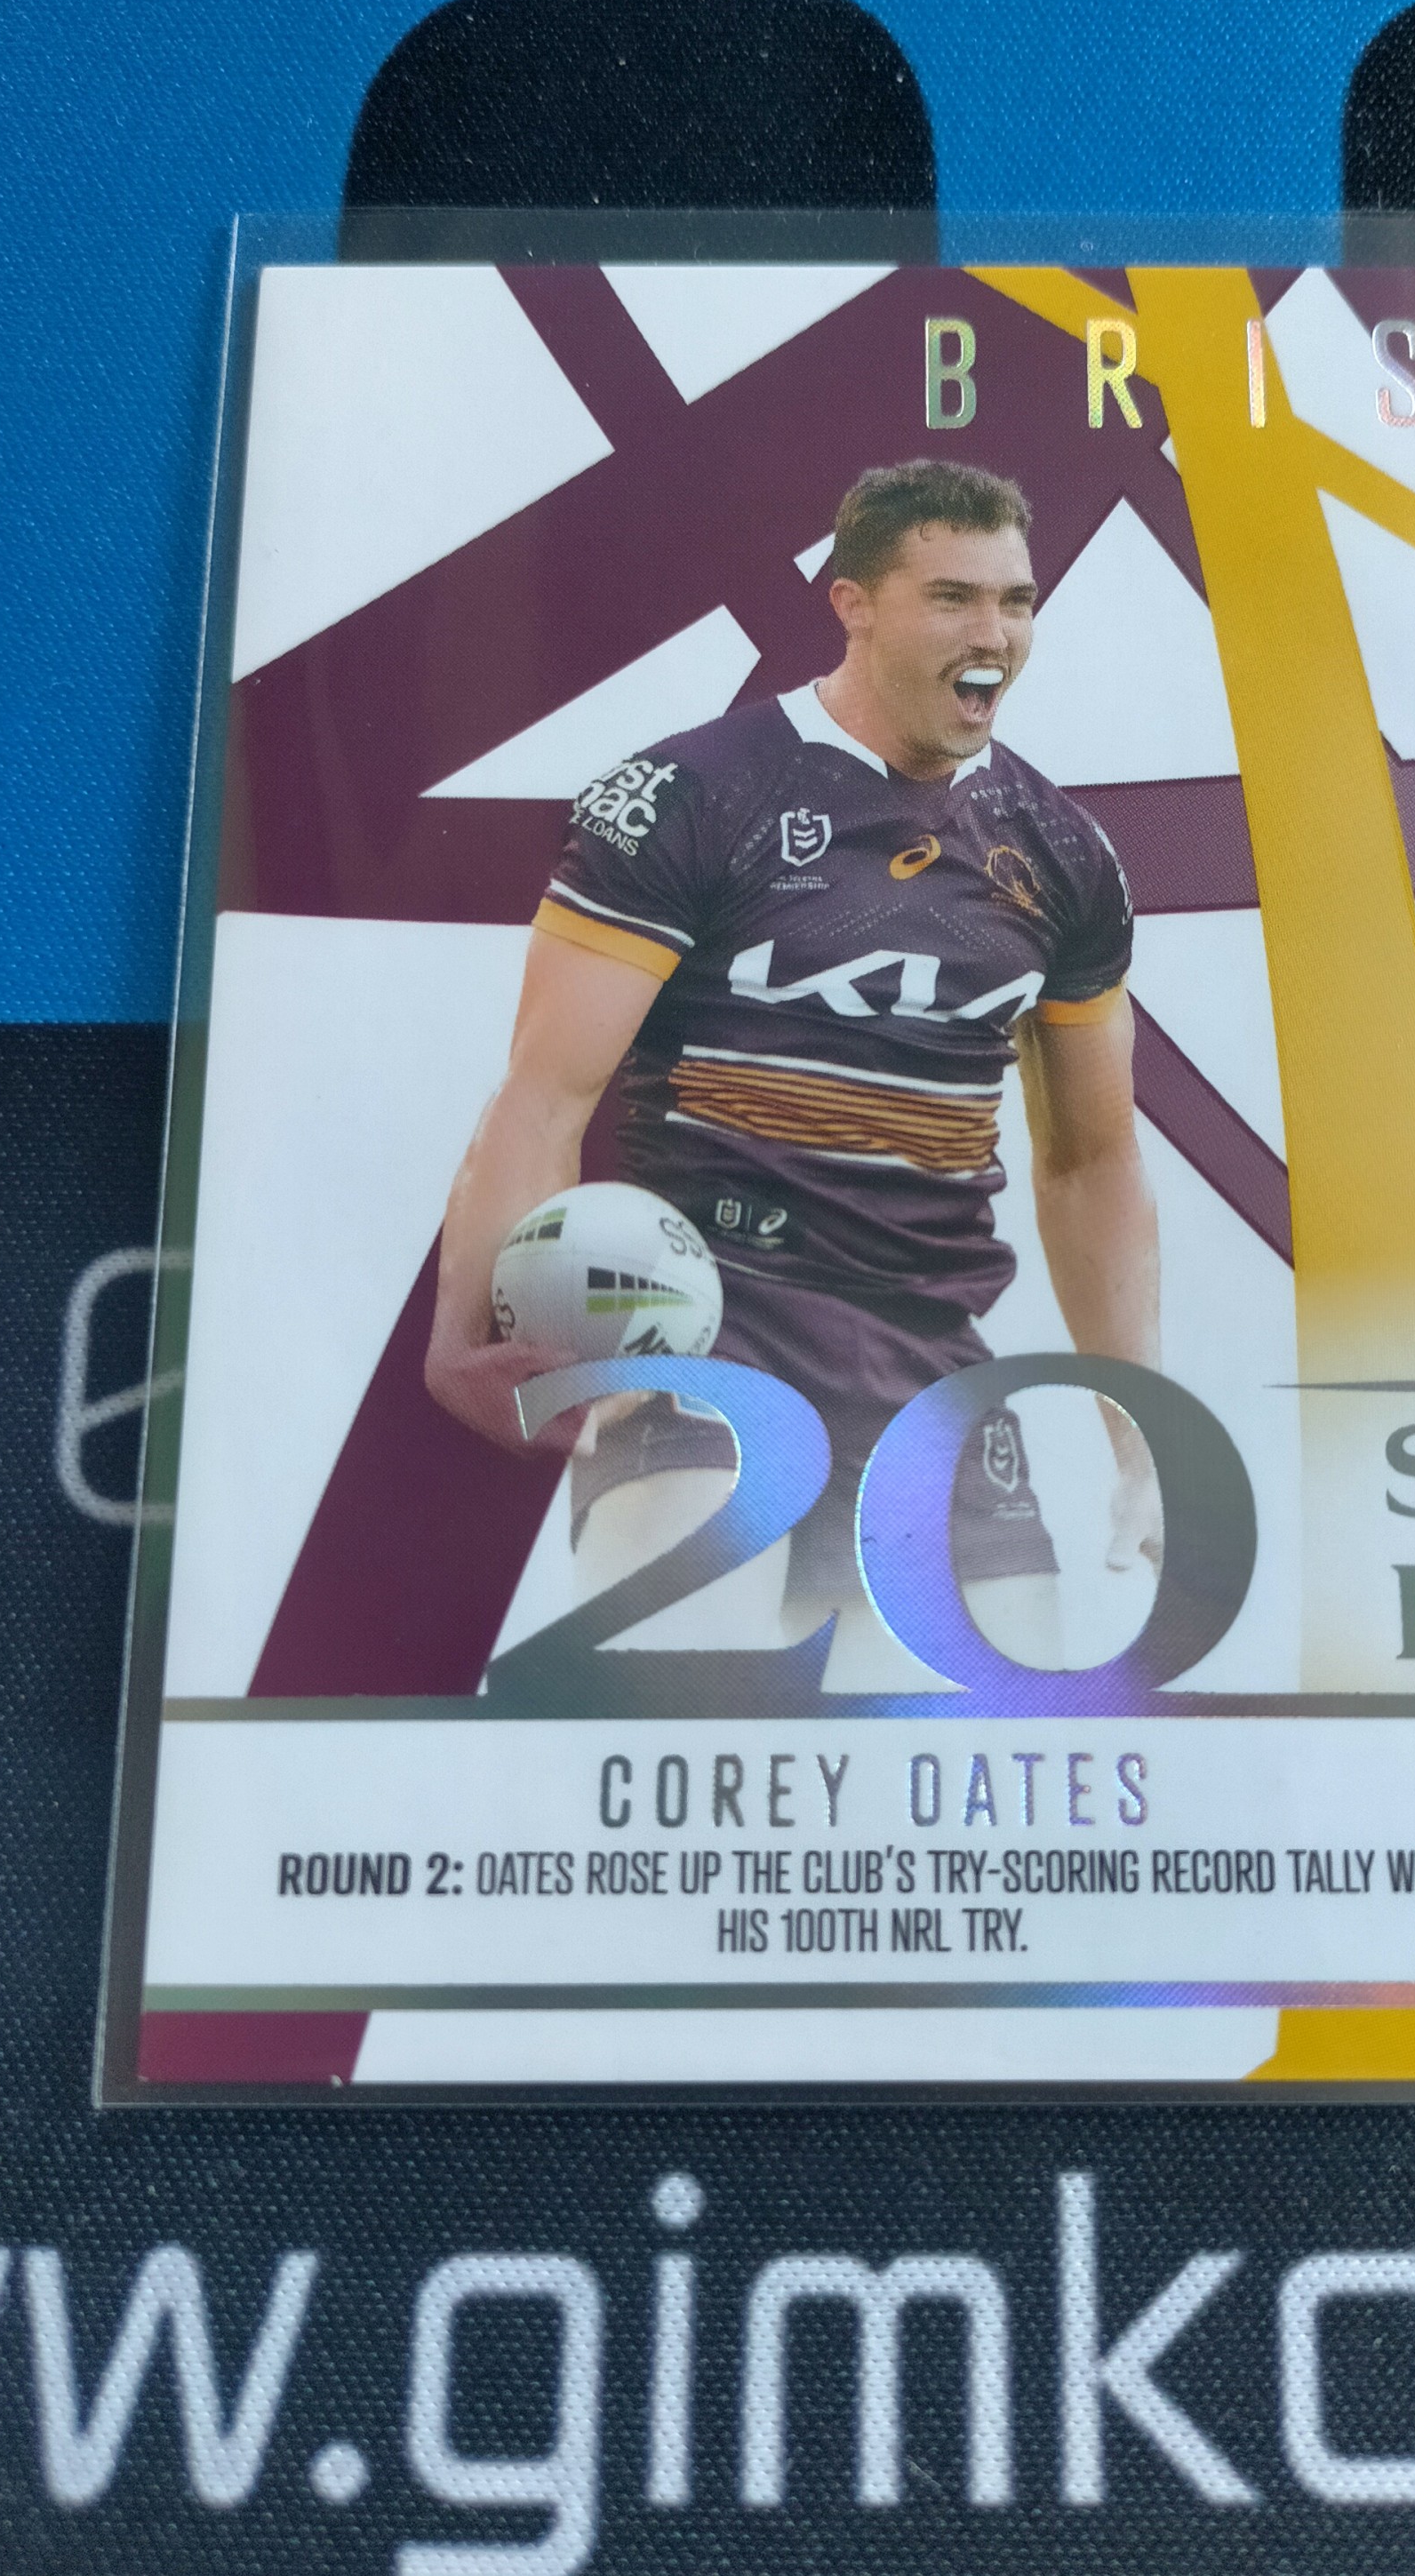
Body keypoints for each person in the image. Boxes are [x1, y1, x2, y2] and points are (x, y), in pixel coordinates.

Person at [426, 457, 1160, 1684]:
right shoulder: (690, 797)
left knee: (977, 1790)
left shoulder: (1063, 856)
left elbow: (1091, 1162)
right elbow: (546, 1096)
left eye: (1016, 601)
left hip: (929, 1373)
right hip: (706, 1344)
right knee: (684, 1751)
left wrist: (1138, 1431)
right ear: (852, 604)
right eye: (952, 597)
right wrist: (472, 1326)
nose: (993, 634)